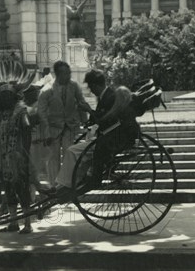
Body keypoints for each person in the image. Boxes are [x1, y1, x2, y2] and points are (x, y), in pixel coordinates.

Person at [54, 69, 139, 198]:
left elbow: (106, 121)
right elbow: (102, 119)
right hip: (108, 136)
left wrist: (89, 110)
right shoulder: (106, 96)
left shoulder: (110, 97)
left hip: (112, 139)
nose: (91, 90)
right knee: (78, 152)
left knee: (72, 151)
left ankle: (64, 185)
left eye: (90, 87)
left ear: (95, 85)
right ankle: (72, 182)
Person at [0, 85, 34, 234]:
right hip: (3, 159)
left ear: (13, 96)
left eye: (8, 95)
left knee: (22, 190)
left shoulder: (21, 111)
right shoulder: (0, 114)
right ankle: (13, 222)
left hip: (17, 159)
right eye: (3, 95)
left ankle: (28, 224)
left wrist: (25, 154)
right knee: (8, 190)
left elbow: (27, 129)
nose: (5, 98)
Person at [37, 61, 88, 187]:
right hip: (53, 128)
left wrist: (85, 122)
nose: (68, 76)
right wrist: (46, 133)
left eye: (69, 73)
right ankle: (54, 186)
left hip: (70, 126)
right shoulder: (47, 90)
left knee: (69, 154)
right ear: (58, 74)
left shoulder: (74, 86)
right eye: (65, 74)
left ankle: (66, 184)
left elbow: (81, 103)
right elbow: (42, 114)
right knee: (53, 158)